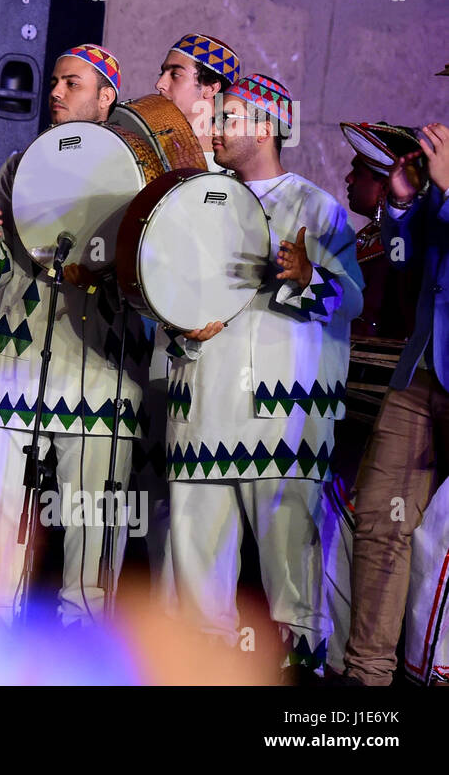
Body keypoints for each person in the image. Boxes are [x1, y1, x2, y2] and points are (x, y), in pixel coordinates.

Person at [166, 74, 361, 677]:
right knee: (198, 571)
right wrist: (178, 327)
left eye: (228, 118)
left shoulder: (316, 206)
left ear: (268, 126)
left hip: (285, 421)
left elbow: (352, 302)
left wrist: (306, 277)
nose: (214, 129)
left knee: (293, 576)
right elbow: (164, 287)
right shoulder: (198, 199)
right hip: (202, 409)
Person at [0, 42, 150, 627]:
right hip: (12, 365)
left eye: (71, 84)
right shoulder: (20, 164)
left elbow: (159, 282)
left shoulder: (138, 179)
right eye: (54, 82)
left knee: (93, 527)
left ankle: (83, 652)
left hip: (102, 371)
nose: (54, 93)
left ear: (106, 98)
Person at [343, 121, 449, 685]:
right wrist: (405, 210)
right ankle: (368, 682)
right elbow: (406, 268)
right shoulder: (438, 176)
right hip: (424, 371)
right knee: (382, 521)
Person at [154, 33, 241, 166]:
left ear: (211, 88)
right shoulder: (147, 145)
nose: (159, 84)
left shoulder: (234, 166)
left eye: (175, 75)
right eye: (162, 73)